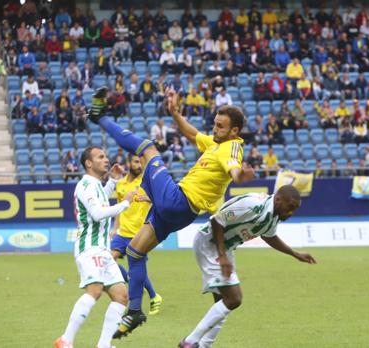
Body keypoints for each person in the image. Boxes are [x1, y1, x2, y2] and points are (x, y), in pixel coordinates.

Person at [87, 87, 255, 337]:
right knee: (134, 252)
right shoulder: (216, 144)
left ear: (234, 131)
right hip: (181, 212)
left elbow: (234, 169)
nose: (215, 130)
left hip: (178, 200)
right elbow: (191, 133)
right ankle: (134, 311)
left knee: (147, 148)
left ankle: (99, 117)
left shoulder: (231, 148)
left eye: (221, 127)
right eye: (215, 124)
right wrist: (175, 113)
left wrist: (240, 175)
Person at [179, 186, 316, 347]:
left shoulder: (273, 215)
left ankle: (203, 345)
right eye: (289, 207)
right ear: (278, 199)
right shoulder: (253, 204)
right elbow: (217, 220)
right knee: (234, 298)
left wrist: (295, 253)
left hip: (225, 249)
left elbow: (269, 236)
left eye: (294, 209)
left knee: (223, 302)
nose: (291, 213)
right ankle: (189, 342)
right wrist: (222, 256)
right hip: (209, 243)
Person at [55, 147, 136, 348]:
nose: (106, 160)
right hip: (89, 248)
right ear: (89, 163)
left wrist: (113, 182)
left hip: (102, 249)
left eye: (106, 156)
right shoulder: (86, 185)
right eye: (101, 157)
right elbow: (98, 213)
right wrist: (125, 203)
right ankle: (65, 340)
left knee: (121, 295)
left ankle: (104, 345)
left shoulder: (96, 185)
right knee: (95, 290)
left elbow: (101, 198)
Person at [110, 153, 163, 317]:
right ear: (128, 163)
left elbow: (161, 201)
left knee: (137, 271)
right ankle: (132, 280)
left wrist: (148, 198)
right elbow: (120, 207)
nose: (139, 165)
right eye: (135, 161)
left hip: (140, 234)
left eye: (141, 162)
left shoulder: (147, 182)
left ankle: (154, 296)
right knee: (108, 260)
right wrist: (114, 227)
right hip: (122, 232)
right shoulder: (121, 184)